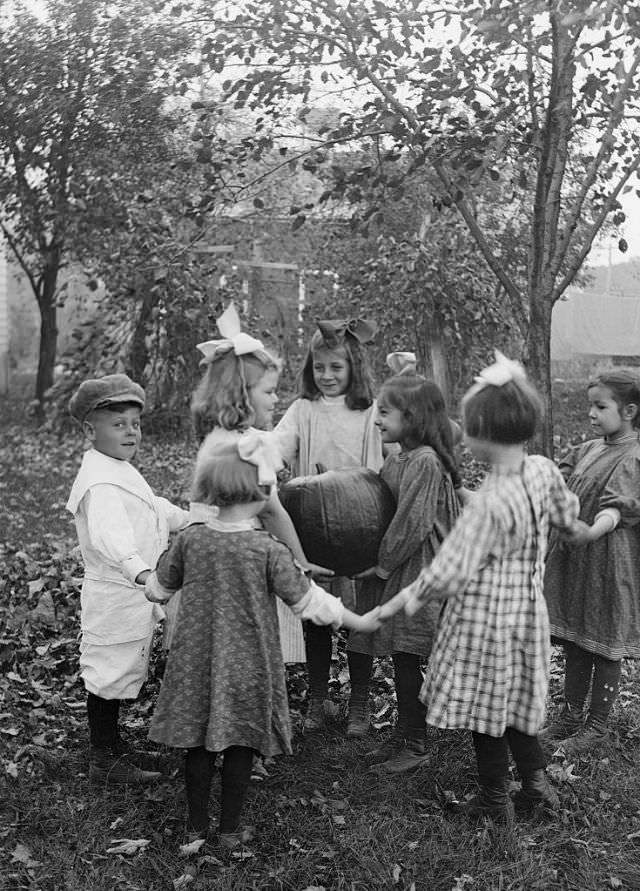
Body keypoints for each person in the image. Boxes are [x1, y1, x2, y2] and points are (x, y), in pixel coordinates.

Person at [145, 436, 384, 850]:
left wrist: (142, 579)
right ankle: (230, 830)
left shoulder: (190, 540)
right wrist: (357, 618)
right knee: (240, 742)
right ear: (262, 492)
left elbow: (158, 589)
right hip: (248, 667)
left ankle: (196, 828)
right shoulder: (267, 550)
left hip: (195, 665)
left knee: (196, 745)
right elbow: (310, 601)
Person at [380, 352, 580, 820]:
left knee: (487, 718)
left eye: (467, 428)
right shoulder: (542, 470)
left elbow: (448, 570)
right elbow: (566, 517)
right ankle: (533, 786)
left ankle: (494, 801)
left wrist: (395, 604)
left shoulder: (491, 503)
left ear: (483, 434)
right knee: (516, 707)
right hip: (527, 613)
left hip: (484, 623)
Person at [182, 302, 333, 663]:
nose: (276, 399)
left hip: (205, 563)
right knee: (248, 648)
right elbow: (272, 512)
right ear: (241, 394)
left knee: (214, 648)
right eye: (268, 392)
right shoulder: (253, 444)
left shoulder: (214, 440)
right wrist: (301, 563)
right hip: (244, 563)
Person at [66, 373, 189, 785]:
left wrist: (194, 520)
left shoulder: (118, 468)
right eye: (117, 424)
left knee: (122, 669)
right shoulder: (100, 483)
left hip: (132, 594)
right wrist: (143, 573)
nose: (130, 432)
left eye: (134, 424)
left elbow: (155, 508)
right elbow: (112, 538)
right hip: (118, 591)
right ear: (90, 430)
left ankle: (113, 743)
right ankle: (104, 759)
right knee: (108, 671)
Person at [273, 318, 384, 734]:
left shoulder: (369, 410)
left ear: (354, 366)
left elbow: (395, 452)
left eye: (336, 368)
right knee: (315, 615)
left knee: (357, 616)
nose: (327, 376)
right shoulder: (303, 410)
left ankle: (359, 702)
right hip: (314, 529)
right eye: (319, 368)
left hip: (362, 529)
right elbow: (278, 447)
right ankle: (319, 700)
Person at [348, 369, 462, 772]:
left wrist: (381, 567)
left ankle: (416, 743)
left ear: (411, 418)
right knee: (400, 653)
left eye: (384, 413)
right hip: (401, 563)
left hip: (420, 567)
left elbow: (411, 524)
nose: (376, 420)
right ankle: (405, 732)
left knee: (409, 653)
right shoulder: (398, 458)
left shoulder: (426, 463)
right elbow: (375, 506)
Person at [543, 368, 640, 755]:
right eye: (590, 406)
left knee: (605, 641)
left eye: (601, 407)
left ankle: (598, 723)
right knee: (576, 634)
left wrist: (590, 530)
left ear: (629, 410)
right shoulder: (589, 450)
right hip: (577, 560)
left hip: (609, 561)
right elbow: (557, 478)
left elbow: (617, 509)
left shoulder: (633, 457)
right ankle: (570, 713)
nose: (592, 414)